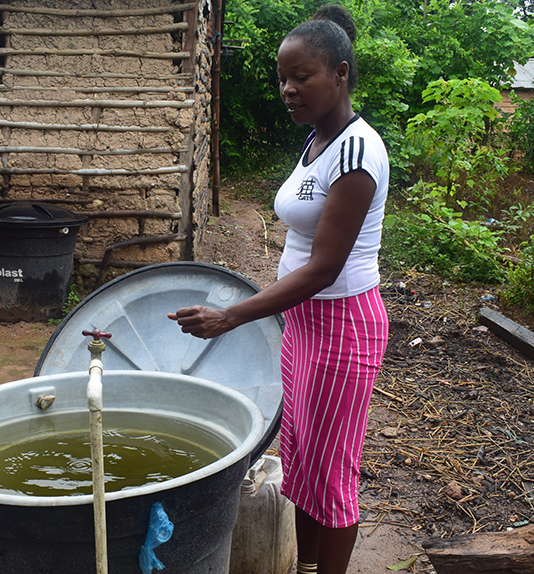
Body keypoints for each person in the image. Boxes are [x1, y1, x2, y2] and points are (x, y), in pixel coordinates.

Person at [168, 6, 388, 574]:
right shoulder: (317, 139)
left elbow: (324, 268)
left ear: (340, 73)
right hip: (305, 322)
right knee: (304, 457)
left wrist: (233, 316)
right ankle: (305, 565)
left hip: (343, 323)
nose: (288, 90)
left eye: (301, 77)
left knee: (333, 469)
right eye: (282, 79)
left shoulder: (359, 152)